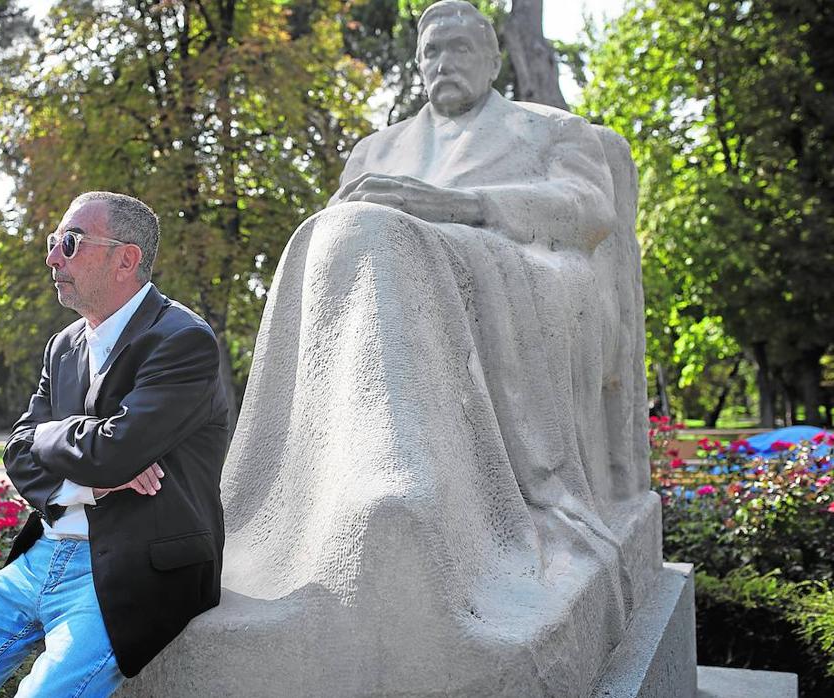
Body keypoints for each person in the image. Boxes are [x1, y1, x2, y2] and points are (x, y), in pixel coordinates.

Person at [122, 2, 654, 695]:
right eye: (431, 51)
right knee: (339, 236)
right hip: (398, 281)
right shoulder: (375, 151)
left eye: (461, 49)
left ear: (494, 60)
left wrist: (462, 208)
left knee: (379, 236)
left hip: (512, 277)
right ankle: (309, 496)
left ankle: (410, 486)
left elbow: (587, 213)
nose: (443, 63)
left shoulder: (549, 131)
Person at [0, 191, 232, 697]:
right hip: (41, 556)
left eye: (70, 243)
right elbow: (18, 452)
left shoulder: (183, 340)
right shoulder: (63, 346)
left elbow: (113, 452)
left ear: (126, 258)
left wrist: (59, 438)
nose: (53, 256)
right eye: (54, 242)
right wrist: (92, 474)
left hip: (131, 567)